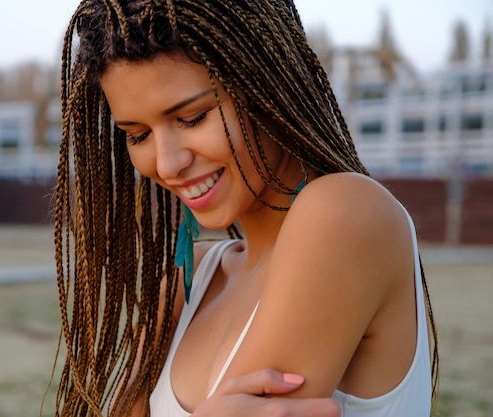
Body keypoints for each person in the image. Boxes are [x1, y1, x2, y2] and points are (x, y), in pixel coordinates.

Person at [51, 0, 439, 416]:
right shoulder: (189, 278)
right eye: (139, 134)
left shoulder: (345, 213)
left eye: (193, 117)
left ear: (267, 86)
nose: (166, 164)